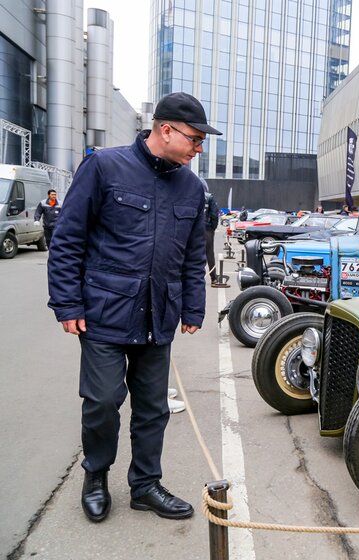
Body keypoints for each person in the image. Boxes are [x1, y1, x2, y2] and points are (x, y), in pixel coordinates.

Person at [47, 91, 219, 523]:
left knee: (153, 409)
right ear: (166, 130)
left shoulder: (191, 187)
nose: (199, 149)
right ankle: (96, 477)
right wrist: (67, 302)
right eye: (195, 140)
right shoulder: (104, 167)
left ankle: (145, 485)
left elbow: (192, 256)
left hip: (158, 315)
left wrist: (193, 310)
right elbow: (68, 239)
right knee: (103, 402)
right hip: (104, 312)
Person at [201, 179, 220, 286]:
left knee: (193, 253)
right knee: (209, 253)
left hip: (195, 229)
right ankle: (213, 278)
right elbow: (214, 214)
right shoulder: (210, 197)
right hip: (207, 229)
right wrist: (212, 228)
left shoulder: (192, 195)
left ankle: (197, 277)